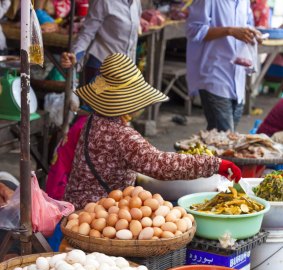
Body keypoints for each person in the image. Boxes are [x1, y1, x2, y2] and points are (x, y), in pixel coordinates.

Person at [64, 53, 241, 210]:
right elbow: (160, 165)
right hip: (96, 213)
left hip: (77, 204)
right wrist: (215, 164)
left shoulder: (93, 120)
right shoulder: (122, 135)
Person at [186, 0, 260, 132]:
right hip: (214, 74)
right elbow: (193, 30)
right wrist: (229, 31)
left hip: (238, 80)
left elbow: (248, 25)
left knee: (221, 139)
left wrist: (254, 34)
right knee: (225, 136)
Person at [60, 0, 142, 84]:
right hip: (101, 68)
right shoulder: (103, 1)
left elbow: (132, 39)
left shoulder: (135, 2)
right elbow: (87, 32)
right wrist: (75, 54)